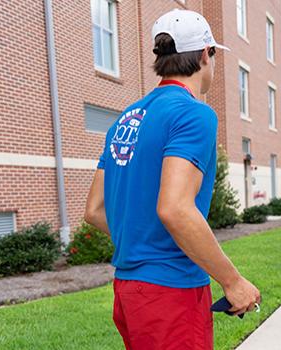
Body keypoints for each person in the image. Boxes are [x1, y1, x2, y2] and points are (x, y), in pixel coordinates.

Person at [83, 10, 260, 349]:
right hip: (171, 292)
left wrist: (141, 240)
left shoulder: (126, 118)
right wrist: (233, 281)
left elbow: (94, 210)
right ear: (206, 54)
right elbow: (176, 209)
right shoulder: (194, 113)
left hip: (128, 290)